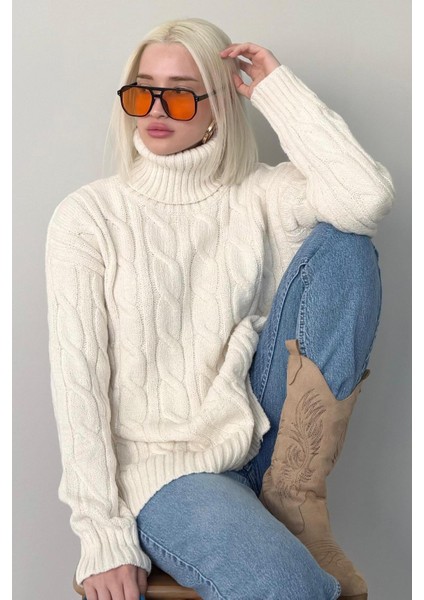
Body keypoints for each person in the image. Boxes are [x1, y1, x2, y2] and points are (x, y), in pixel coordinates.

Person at [45, 17, 394, 600]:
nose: (156, 110)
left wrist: (276, 89)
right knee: (290, 587)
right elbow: (77, 385)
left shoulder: (263, 193)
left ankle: (295, 493)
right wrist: (102, 534)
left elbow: (366, 198)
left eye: (181, 94)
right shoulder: (89, 217)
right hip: (169, 472)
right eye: (143, 92)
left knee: (346, 243)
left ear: (220, 105)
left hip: (270, 444)